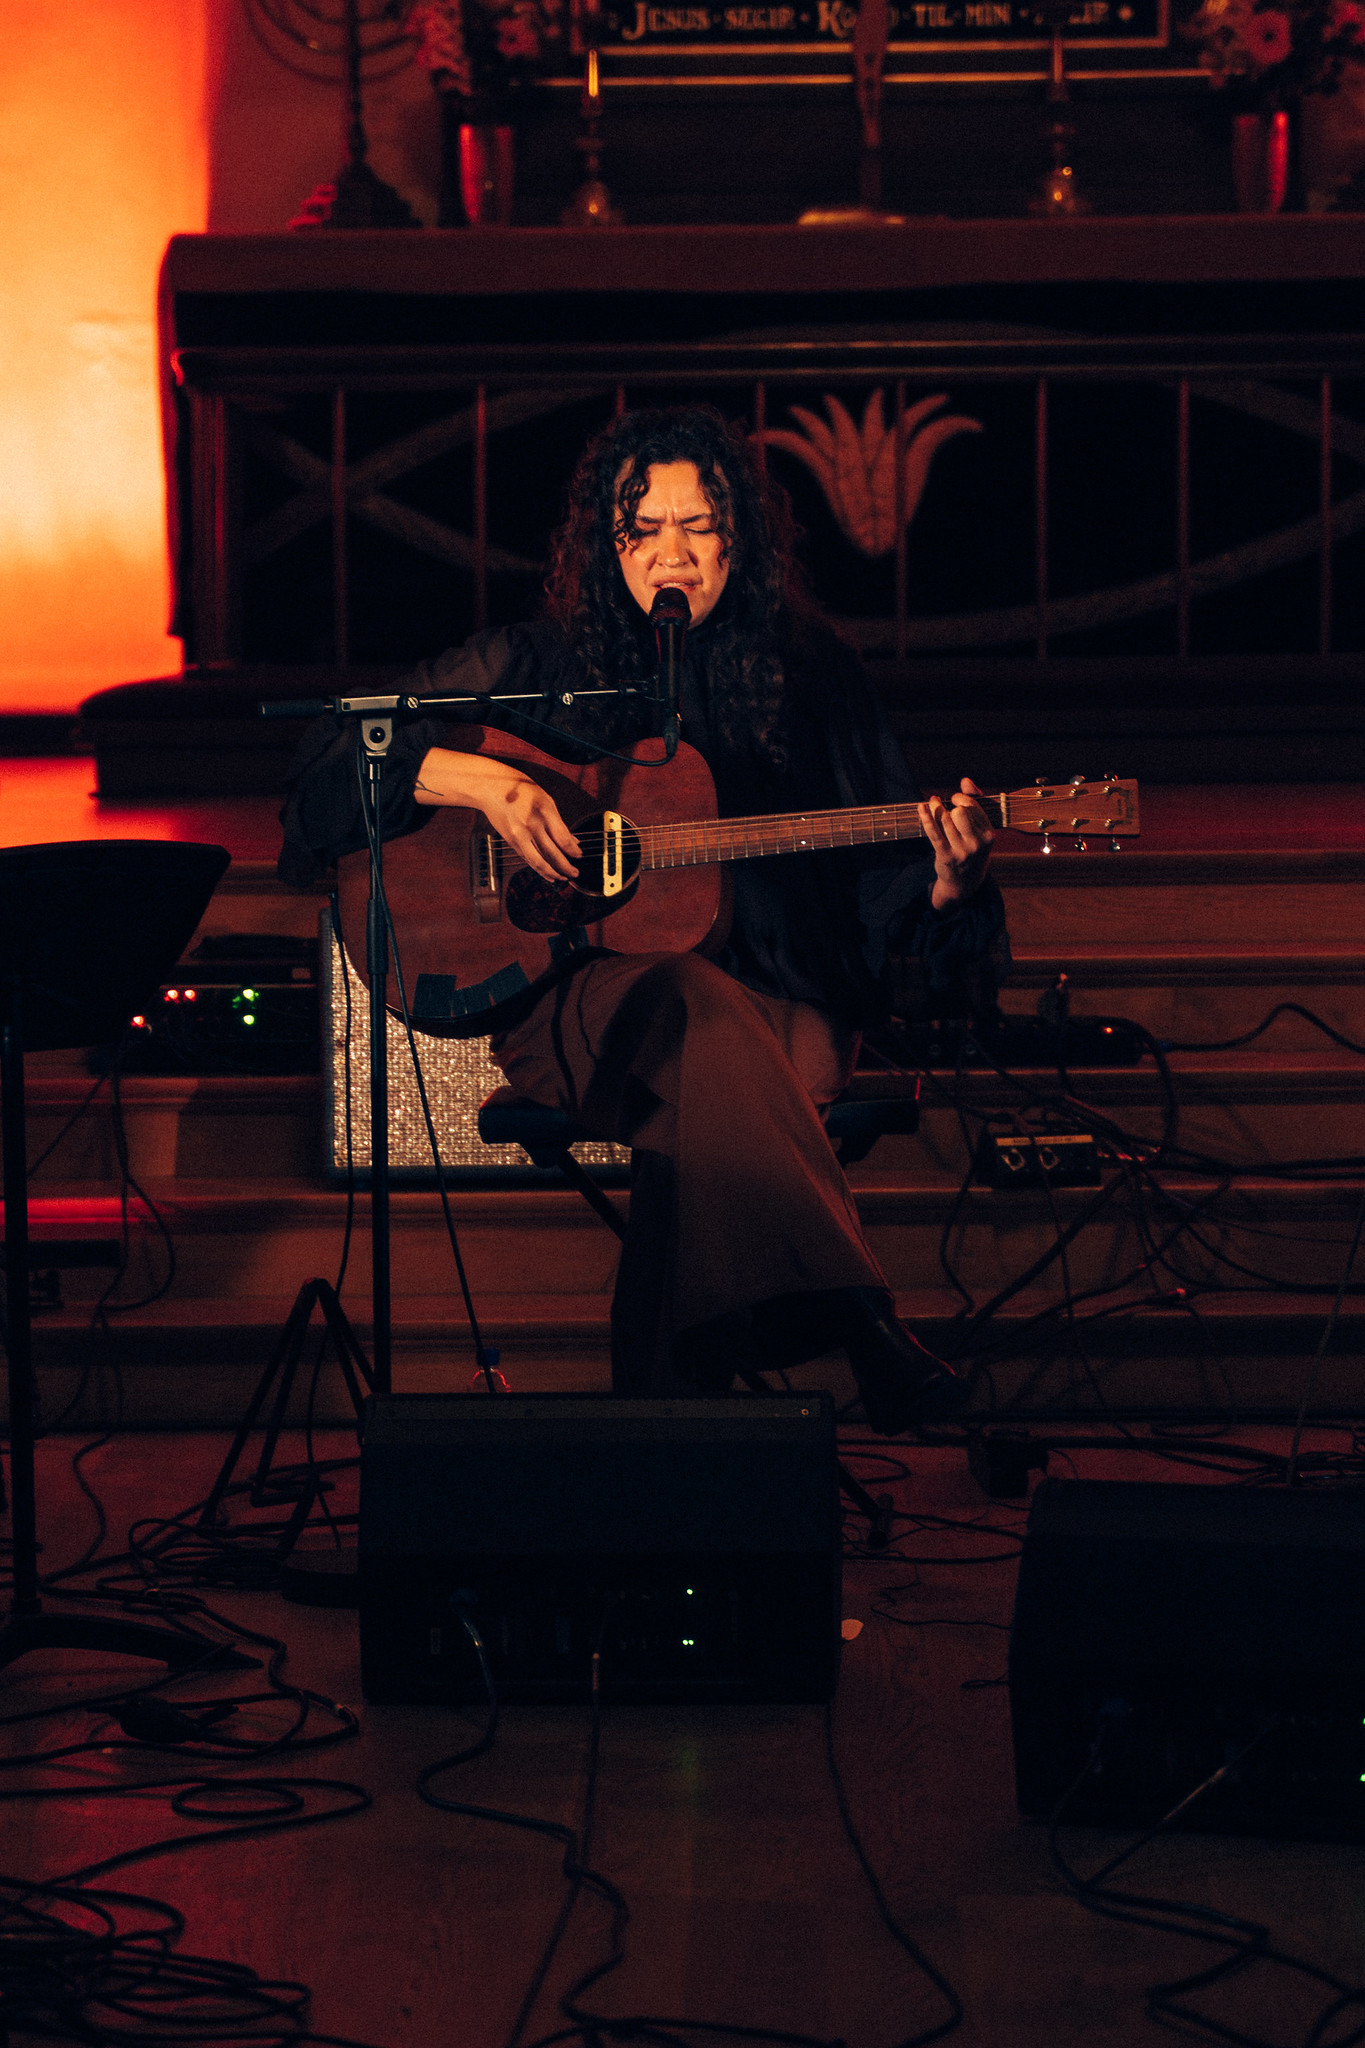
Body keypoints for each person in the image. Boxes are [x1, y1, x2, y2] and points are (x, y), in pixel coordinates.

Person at [281, 404, 1007, 1432]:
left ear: (737, 540)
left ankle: (670, 1451)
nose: (672, 552)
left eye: (697, 526)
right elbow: (323, 762)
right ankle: (863, 1327)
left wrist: (948, 887)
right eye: (643, 529)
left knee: (708, 1098)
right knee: (689, 1003)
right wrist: (478, 778)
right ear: (606, 544)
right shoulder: (534, 663)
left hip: (781, 1002)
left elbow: (881, 896)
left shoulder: (813, 676)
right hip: (580, 1011)